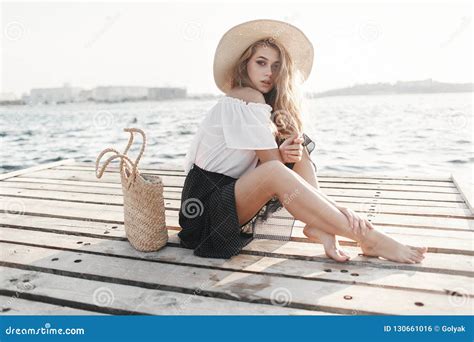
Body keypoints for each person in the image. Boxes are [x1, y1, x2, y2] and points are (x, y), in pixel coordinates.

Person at [179, 19, 428, 263]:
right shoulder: (245, 97)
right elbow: (275, 172)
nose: (269, 72)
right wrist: (338, 208)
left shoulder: (262, 104)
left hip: (229, 198)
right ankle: (368, 237)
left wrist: (336, 206)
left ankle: (322, 226)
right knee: (278, 167)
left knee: (298, 146)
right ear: (245, 66)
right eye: (261, 63)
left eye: (276, 66)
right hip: (205, 212)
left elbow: (283, 172)